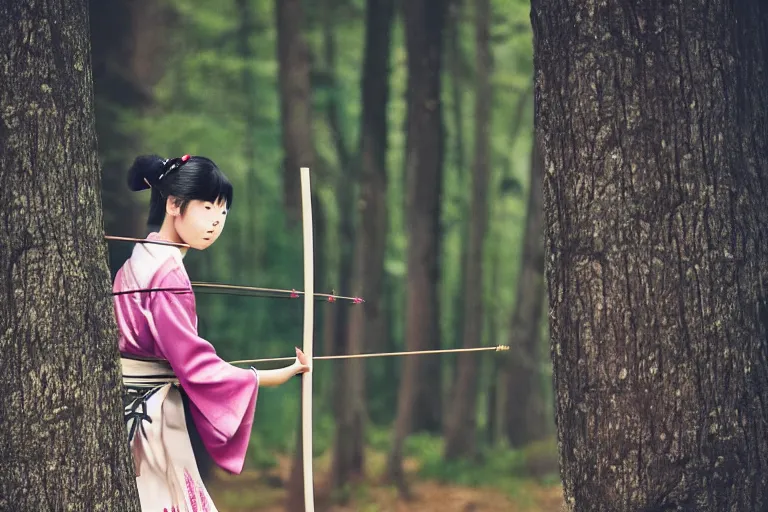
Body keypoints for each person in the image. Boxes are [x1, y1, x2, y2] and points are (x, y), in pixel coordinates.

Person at [112, 154, 310, 512]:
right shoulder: (167, 274)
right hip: (148, 420)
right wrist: (269, 377)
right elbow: (196, 366)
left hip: (124, 408)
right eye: (206, 207)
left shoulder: (139, 260)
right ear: (174, 204)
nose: (216, 221)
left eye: (223, 211)